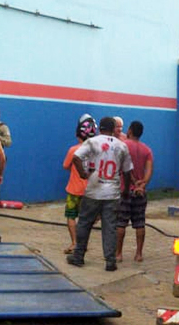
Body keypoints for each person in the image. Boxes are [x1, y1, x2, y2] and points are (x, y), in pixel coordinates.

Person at [67, 117, 133, 272]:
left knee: (84, 223)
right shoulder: (122, 146)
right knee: (110, 227)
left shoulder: (92, 142)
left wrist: (83, 174)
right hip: (112, 193)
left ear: (99, 128)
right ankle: (110, 261)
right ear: (113, 128)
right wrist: (125, 190)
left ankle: (79, 256)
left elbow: (76, 157)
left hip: (93, 190)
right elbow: (128, 171)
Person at [116, 121, 153, 263]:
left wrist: (132, 182)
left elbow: (124, 167)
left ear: (130, 131)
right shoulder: (147, 150)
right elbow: (149, 170)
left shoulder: (123, 146)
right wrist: (142, 184)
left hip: (125, 191)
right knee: (140, 223)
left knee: (121, 224)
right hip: (140, 193)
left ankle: (118, 254)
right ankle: (138, 254)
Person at [62, 115, 97, 254]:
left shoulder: (73, 150)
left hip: (73, 190)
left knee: (71, 216)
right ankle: (83, 243)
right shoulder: (95, 150)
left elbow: (65, 166)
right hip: (89, 190)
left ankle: (75, 243)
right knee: (86, 219)